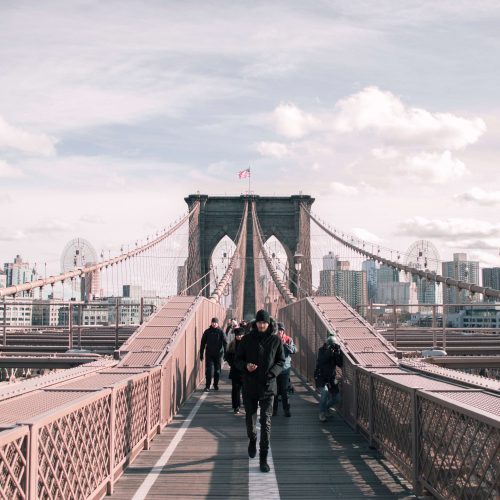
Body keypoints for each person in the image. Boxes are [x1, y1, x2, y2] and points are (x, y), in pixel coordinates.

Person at [235, 309, 285, 473]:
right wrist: (245, 366)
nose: (262, 325)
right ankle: (252, 438)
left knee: (266, 422)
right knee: (250, 421)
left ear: (268, 323)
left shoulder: (276, 340)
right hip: (250, 386)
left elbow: (281, 361)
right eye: (259, 322)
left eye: (264, 322)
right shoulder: (247, 339)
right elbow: (237, 360)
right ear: (255, 323)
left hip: (268, 387)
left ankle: (263, 459)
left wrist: (272, 373)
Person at [314, 331, 343, 422]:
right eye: (330, 344)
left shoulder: (335, 351)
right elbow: (321, 361)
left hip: (331, 378)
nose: (331, 346)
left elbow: (340, 364)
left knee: (337, 398)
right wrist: (329, 352)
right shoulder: (321, 350)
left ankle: (325, 408)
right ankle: (322, 413)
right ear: (326, 343)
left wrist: (338, 353)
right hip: (321, 377)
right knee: (325, 392)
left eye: (332, 344)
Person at [273, 322, 297, 417]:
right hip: (275, 368)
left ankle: (286, 410)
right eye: (278, 330)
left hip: (285, 369)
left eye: (281, 330)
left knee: (284, 391)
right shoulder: (273, 340)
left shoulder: (288, 339)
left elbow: (294, 350)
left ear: (283, 331)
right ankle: (274, 410)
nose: (280, 332)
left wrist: (285, 345)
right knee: (274, 391)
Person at [200, 317, 227, 391]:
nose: (214, 324)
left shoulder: (221, 332)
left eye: (215, 322)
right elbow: (202, 343)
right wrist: (201, 353)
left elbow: (225, 343)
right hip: (209, 354)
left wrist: (225, 354)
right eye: (213, 322)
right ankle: (207, 386)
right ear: (211, 323)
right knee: (208, 370)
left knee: (217, 371)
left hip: (218, 354)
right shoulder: (207, 332)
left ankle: (215, 384)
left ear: (218, 323)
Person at [225, 327, 245, 413]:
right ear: (235, 336)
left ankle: (246, 404)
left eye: (241, 335)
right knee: (235, 389)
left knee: (246, 389)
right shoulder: (232, 345)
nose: (240, 337)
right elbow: (227, 356)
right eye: (238, 335)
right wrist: (232, 364)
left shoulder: (247, 345)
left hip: (245, 371)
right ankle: (236, 406)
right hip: (235, 370)